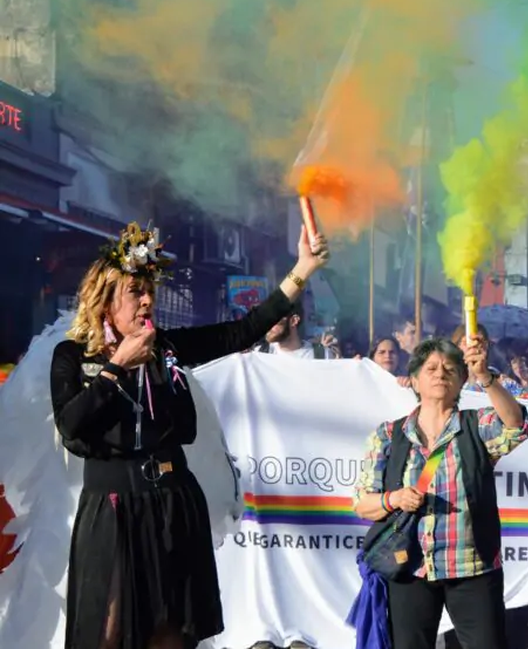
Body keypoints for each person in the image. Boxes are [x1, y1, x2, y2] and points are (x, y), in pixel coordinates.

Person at [50, 222, 329, 649]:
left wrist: (302, 269)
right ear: (106, 301)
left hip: (172, 504)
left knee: (171, 634)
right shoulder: (73, 356)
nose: (147, 300)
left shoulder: (168, 350)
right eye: (134, 292)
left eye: (150, 291)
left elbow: (244, 329)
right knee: (106, 633)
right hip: (113, 511)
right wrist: (116, 368)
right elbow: (71, 428)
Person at [352, 337, 528, 649]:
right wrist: (394, 499)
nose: (440, 374)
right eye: (431, 368)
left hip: (473, 567)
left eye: (450, 369)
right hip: (409, 567)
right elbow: (362, 504)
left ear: (462, 380)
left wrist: (486, 377)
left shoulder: (478, 425)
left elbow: (515, 426)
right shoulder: (389, 435)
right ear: (415, 381)